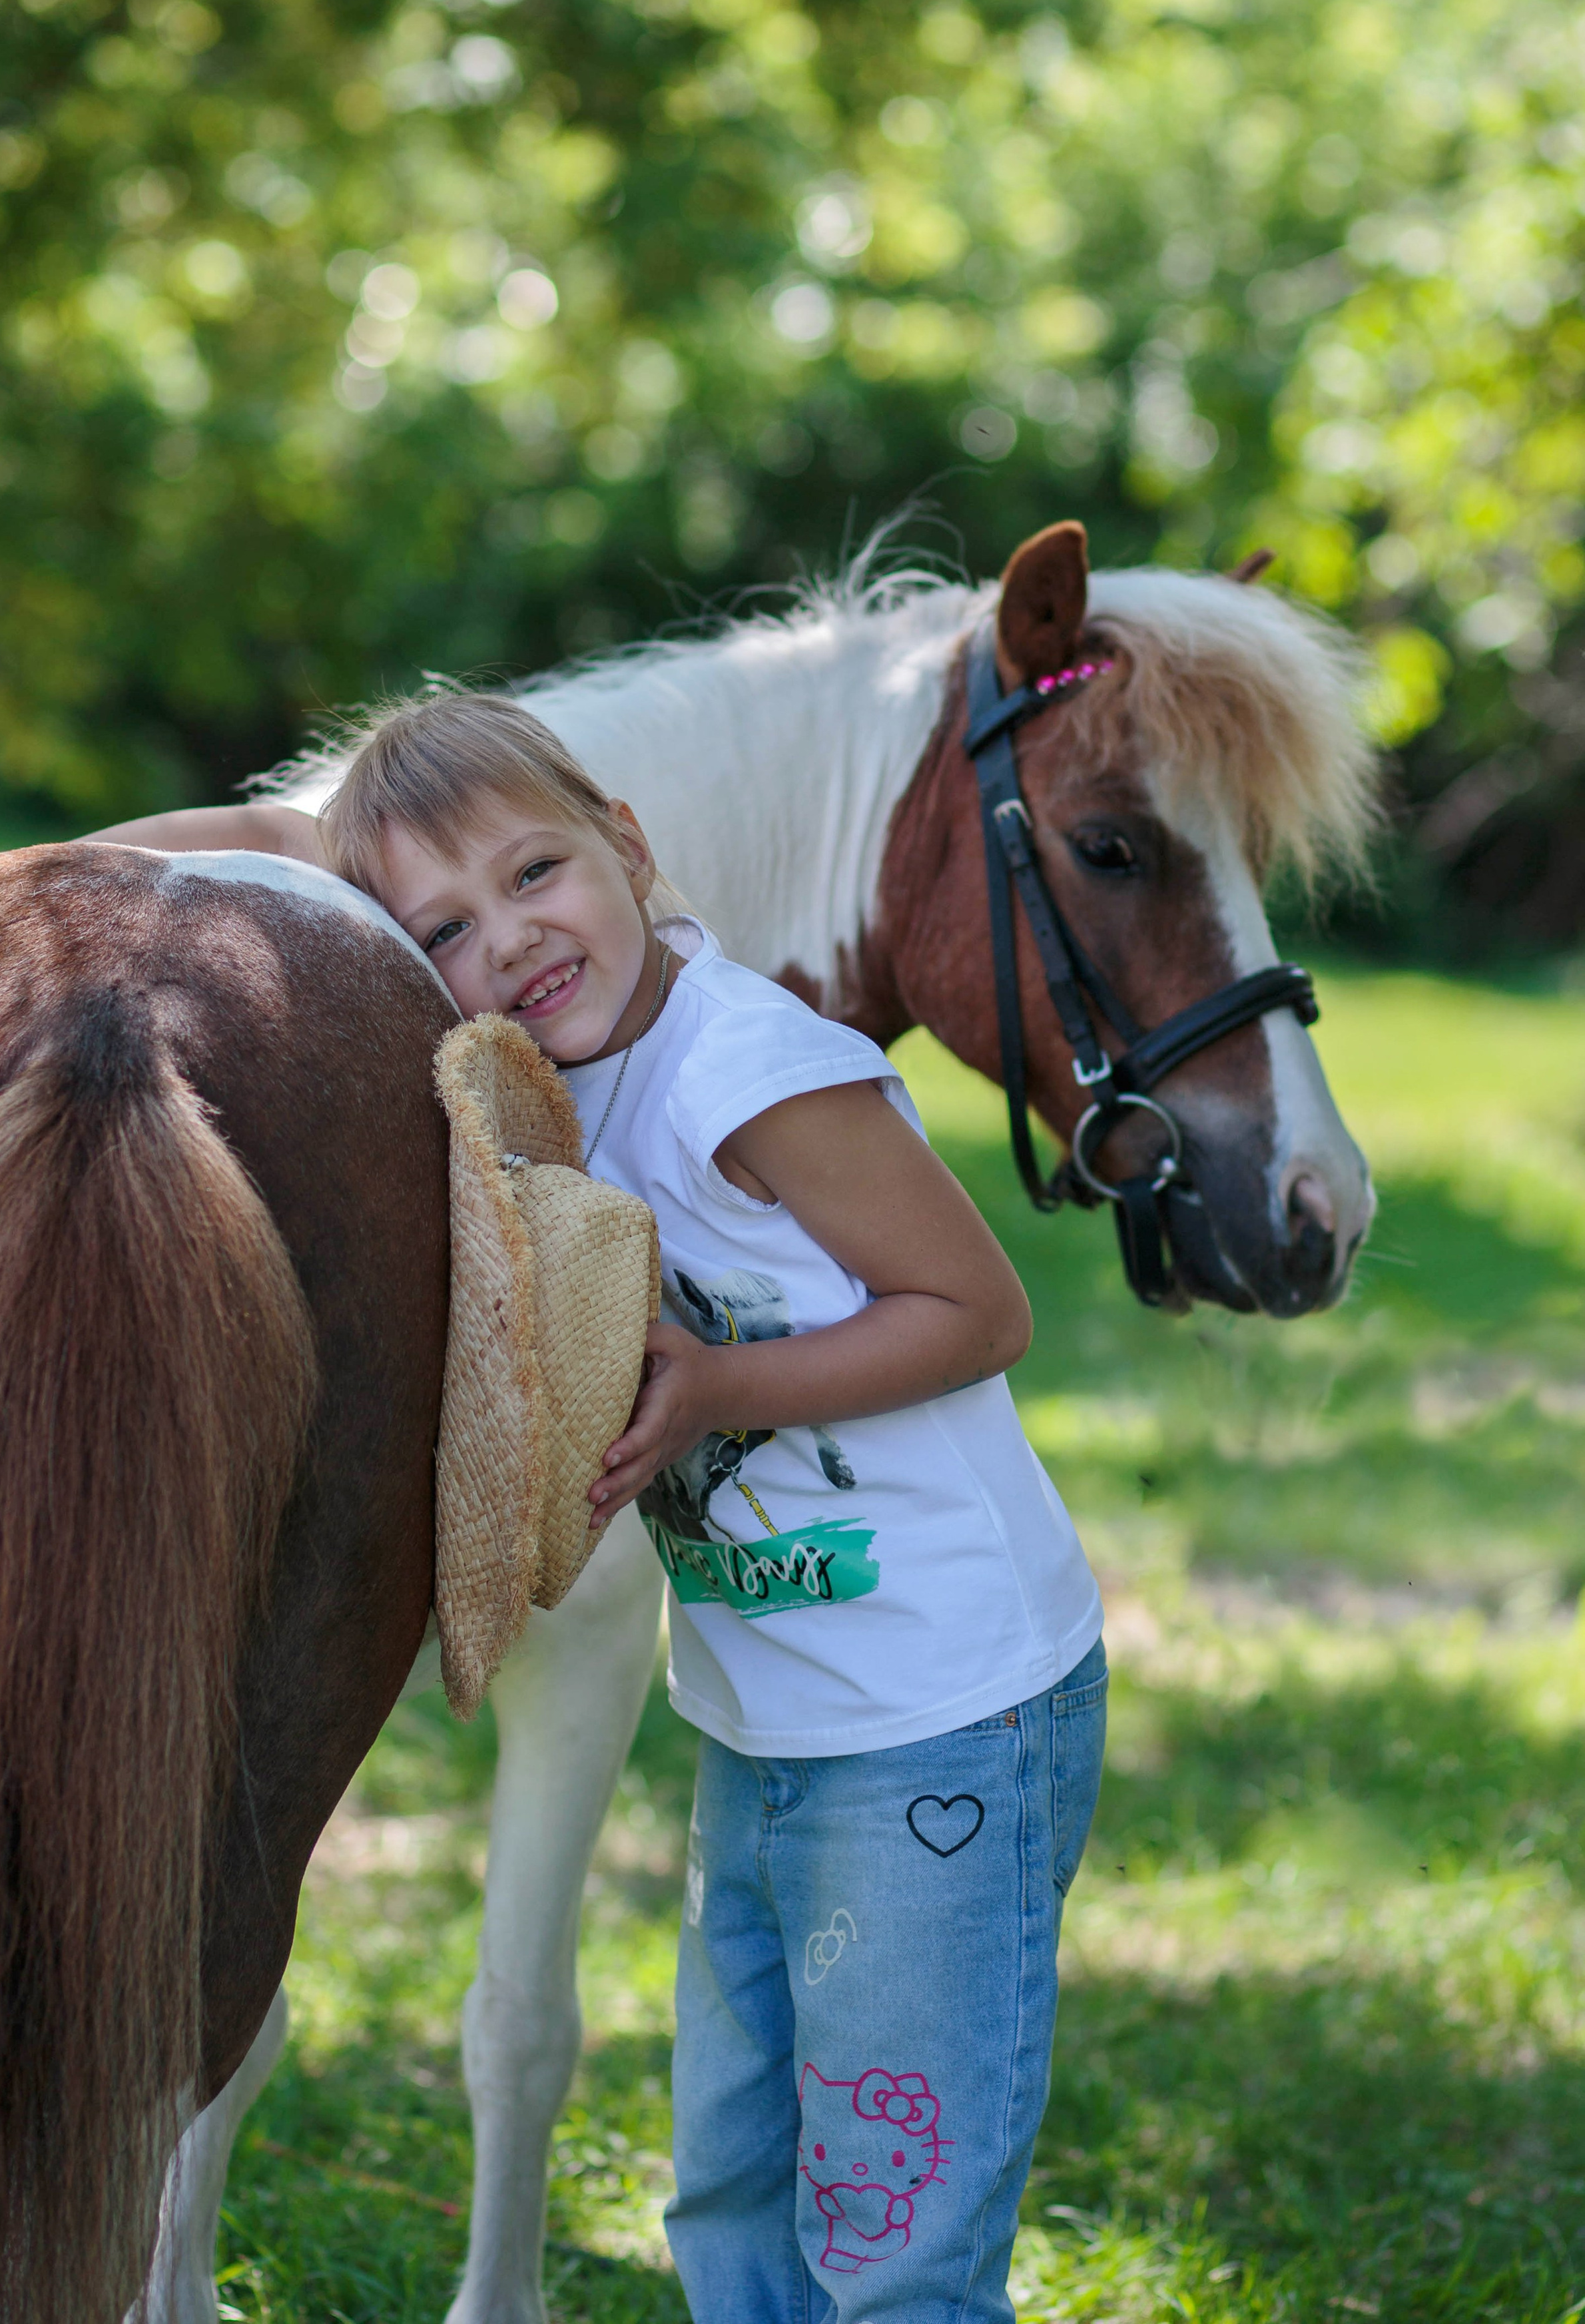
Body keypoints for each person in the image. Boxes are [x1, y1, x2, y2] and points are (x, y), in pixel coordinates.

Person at [101, 687, 1107, 2323]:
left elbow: (978, 1314)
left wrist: (707, 1388)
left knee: (892, 2215)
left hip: (944, 1717)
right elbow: (283, 845)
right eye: (442, 926)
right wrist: (55, 875)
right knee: (725, 2174)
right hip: (768, 1722)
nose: (506, 939)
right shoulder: (563, 1082)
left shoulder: (752, 1067)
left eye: (536, 875)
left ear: (630, 850)